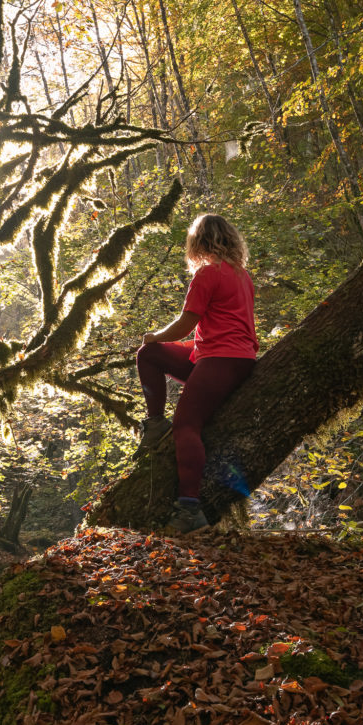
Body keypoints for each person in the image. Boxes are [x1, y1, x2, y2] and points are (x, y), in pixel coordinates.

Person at [136, 213, 258, 534]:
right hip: (236, 360)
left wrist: (156, 335)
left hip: (220, 360)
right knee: (149, 356)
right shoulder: (242, 276)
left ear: (198, 243)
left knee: (186, 425)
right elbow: (219, 327)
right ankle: (154, 423)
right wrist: (160, 346)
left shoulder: (207, 273)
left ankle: (190, 509)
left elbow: (185, 322)